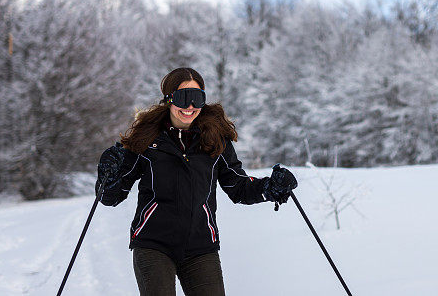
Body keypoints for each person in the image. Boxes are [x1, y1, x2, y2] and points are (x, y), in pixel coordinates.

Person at [96, 67, 298, 296]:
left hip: (200, 247)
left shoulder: (215, 140)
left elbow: (239, 187)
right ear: (169, 99)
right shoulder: (147, 140)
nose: (190, 107)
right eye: (183, 98)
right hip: (154, 244)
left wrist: (269, 188)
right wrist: (108, 175)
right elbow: (110, 197)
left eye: (197, 98)